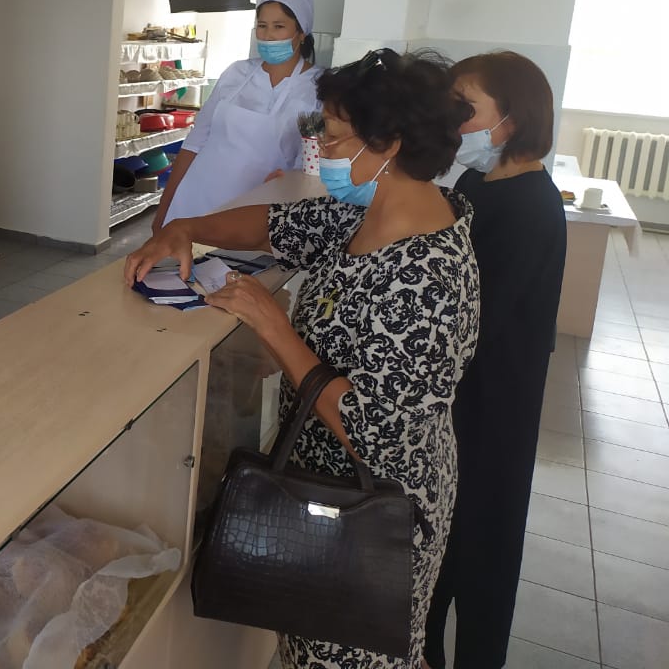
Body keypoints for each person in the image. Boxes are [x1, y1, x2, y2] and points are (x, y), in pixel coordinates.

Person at [126, 49, 479, 669]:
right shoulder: (375, 216)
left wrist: (276, 329)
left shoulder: (428, 275)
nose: (324, 153)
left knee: (350, 654)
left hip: (373, 512)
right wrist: (187, 228)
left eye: (335, 139)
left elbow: (379, 436)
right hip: (321, 490)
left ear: (390, 145)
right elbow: (278, 224)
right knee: (307, 641)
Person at [423, 53, 567, 669]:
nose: (455, 118)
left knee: (483, 547)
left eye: (467, 106)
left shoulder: (533, 206)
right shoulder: (476, 184)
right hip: (461, 396)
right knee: (439, 547)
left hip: (495, 403)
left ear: (512, 117)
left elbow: (480, 315)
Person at [154, 0, 322, 229]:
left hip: (254, 211)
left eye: (279, 26)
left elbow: (309, 165)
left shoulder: (318, 87)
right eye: (262, 26)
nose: (268, 36)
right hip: (195, 199)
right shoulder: (236, 73)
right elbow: (194, 143)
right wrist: (164, 208)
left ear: (302, 33)